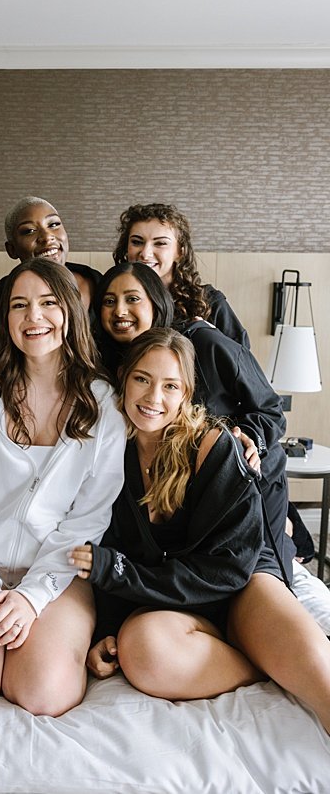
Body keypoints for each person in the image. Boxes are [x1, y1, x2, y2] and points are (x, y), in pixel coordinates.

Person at [71, 328, 330, 736]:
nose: (154, 398)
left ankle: (277, 655)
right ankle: (261, 665)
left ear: (186, 394)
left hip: (238, 584)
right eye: (142, 379)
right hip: (170, 601)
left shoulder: (213, 446)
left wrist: (122, 573)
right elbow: (109, 549)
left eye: (170, 385)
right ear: (122, 379)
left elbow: (229, 568)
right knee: (143, 651)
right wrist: (105, 631)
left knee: (323, 683)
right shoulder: (103, 452)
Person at [0, 257, 124, 718]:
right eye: (19, 305)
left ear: (70, 312)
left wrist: (31, 598)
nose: (34, 317)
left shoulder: (105, 404)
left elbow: (88, 520)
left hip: (56, 573)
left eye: (49, 303)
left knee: (44, 694)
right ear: (6, 318)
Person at [94, 261, 313, 568]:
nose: (119, 311)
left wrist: (247, 438)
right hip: (177, 498)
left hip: (242, 472)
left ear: (157, 303)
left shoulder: (204, 343)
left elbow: (269, 407)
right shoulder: (104, 364)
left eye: (132, 298)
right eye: (109, 301)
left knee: (262, 568)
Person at [0, 196, 101, 363]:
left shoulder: (102, 287)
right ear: (12, 249)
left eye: (54, 224)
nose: (47, 236)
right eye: (29, 231)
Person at [112, 202, 249, 348]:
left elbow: (243, 363)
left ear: (180, 252)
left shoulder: (209, 302)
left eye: (160, 243)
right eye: (137, 242)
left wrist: (212, 338)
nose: (145, 253)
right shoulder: (111, 300)